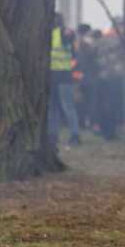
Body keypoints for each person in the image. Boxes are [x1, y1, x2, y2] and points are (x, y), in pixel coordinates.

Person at [48, 13, 81, 147]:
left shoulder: (62, 33)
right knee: (54, 108)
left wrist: (69, 33)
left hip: (62, 76)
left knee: (65, 107)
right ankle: (53, 135)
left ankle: (74, 135)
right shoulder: (51, 33)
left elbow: (69, 38)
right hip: (56, 76)